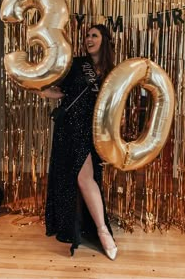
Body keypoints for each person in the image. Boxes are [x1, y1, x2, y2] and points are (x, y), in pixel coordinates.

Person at [38, 24, 117, 260]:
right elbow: (62, 92)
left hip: (93, 131)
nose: (89, 39)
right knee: (77, 178)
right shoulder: (76, 63)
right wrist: (40, 89)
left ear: (104, 40)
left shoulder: (112, 71)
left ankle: (95, 228)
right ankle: (98, 231)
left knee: (86, 178)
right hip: (70, 128)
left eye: (94, 35)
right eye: (87, 35)